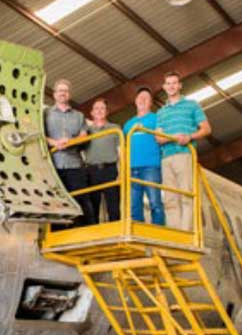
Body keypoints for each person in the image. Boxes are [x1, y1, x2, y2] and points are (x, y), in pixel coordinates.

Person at [156, 72, 211, 230]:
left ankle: (187, 233)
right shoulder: (161, 112)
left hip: (184, 154)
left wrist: (189, 136)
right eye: (168, 83)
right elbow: (159, 138)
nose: (171, 86)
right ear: (164, 87)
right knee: (170, 198)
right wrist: (173, 137)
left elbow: (206, 129)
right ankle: (176, 232)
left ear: (180, 85)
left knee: (186, 195)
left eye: (174, 83)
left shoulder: (192, 105)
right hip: (166, 158)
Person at [45, 79, 94, 227]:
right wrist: (55, 143)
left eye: (65, 91)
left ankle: (83, 232)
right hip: (53, 166)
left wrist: (71, 141)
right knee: (57, 202)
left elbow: (84, 135)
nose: (63, 93)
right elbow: (41, 135)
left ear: (69, 94)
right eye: (60, 90)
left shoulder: (79, 116)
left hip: (75, 164)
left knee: (81, 200)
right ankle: (57, 234)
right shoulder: (45, 114)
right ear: (54, 94)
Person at [122, 87, 164, 225]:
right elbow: (123, 147)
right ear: (135, 101)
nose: (142, 100)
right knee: (134, 206)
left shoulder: (157, 119)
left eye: (146, 98)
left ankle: (159, 230)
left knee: (155, 202)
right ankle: (137, 232)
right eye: (140, 97)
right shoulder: (128, 124)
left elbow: (162, 138)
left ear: (150, 102)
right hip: (132, 168)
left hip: (151, 167)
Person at [84, 98, 121, 221]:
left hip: (110, 170)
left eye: (102, 108)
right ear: (92, 113)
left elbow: (121, 152)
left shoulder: (115, 128)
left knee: (114, 207)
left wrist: (122, 172)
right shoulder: (86, 131)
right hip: (92, 171)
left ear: (107, 112)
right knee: (92, 208)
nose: (99, 111)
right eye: (96, 108)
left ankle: (115, 231)